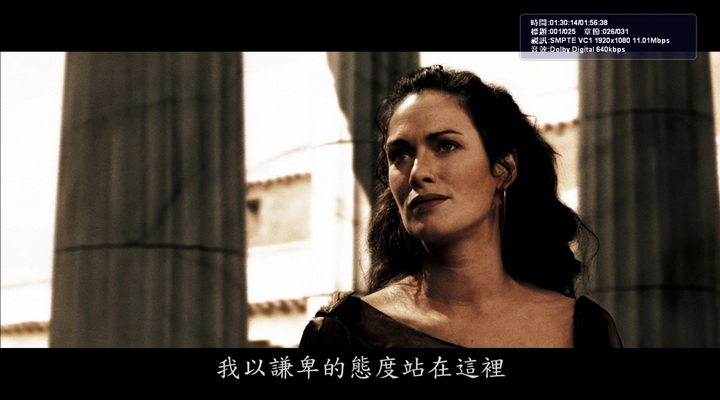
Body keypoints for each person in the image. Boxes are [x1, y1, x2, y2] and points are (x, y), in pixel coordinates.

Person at [300, 65, 622, 348]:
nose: (417, 173)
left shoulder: (581, 327)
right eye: (400, 154)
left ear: (503, 169)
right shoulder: (344, 334)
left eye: (446, 145)